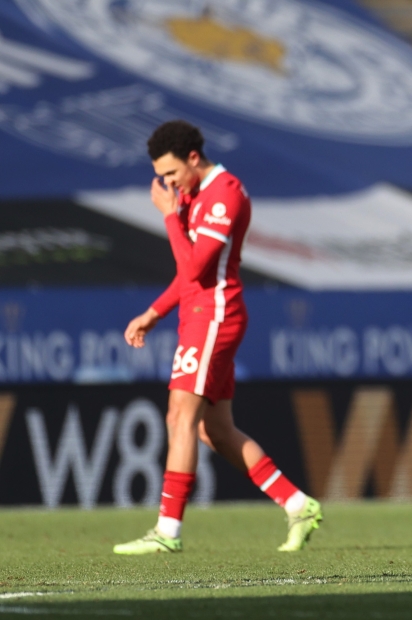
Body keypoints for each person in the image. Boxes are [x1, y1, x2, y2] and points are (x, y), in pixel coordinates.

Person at [113, 120, 322, 555]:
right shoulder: (192, 194)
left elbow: (196, 271)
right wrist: (153, 313)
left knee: (178, 417)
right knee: (216, 432)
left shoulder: (225, 193)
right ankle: (297, 504)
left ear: (193, 158)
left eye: (171, 174)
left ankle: (167, 531)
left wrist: (170, 217)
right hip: (197, 315)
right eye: (162, 177)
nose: (167, 184)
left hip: (215, 316)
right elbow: (187, 274)